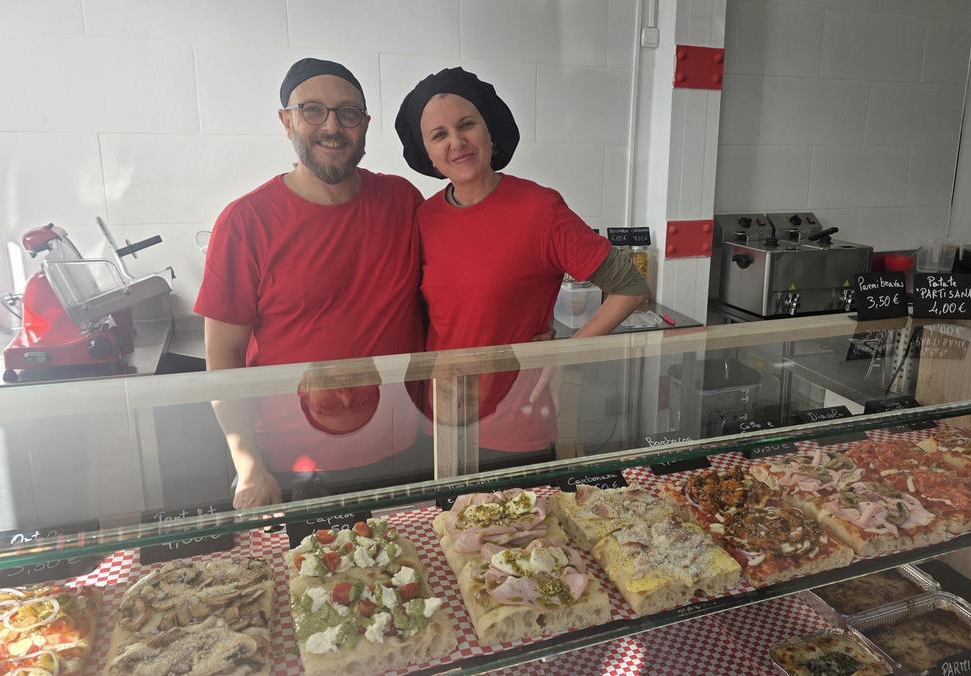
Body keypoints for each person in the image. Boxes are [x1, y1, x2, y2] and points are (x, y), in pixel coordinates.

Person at [194, 58, 428, 508]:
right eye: (313, 110)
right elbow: (223, 355)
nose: (333, 126)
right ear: (286, 121)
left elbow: (455, 286)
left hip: (405, 453)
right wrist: (248, 467)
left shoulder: (403, 201)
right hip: (294, 469)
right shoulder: (246, 222)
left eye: (349, 113)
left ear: (365, 125)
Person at [395, 67, 650, 471]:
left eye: (467, 125)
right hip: (440, 419)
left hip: (516, 423)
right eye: (439, 135)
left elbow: (631, 287)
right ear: (427, 152)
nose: (457, 143)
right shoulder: (424, 217)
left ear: (490, 132)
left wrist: (566, 353)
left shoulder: (539, 209)